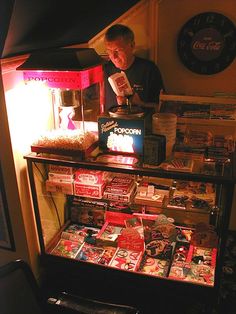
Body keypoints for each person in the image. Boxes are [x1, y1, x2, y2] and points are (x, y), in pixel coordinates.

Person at [103, 24, 164, 114]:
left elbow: (162, 108)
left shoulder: (149, 69)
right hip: (111, 124)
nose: (113, 57)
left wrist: (140, 104)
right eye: (109, 51)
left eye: (117, 51)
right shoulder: (105, 70)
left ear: (132, 46)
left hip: (141, 124)